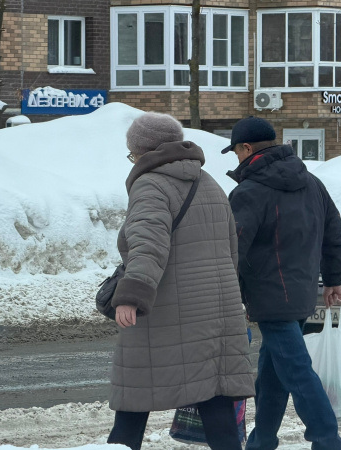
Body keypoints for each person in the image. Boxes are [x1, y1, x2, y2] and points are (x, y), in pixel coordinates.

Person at [107, 112, 255, 450]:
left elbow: (148, 243)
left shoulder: (151, 184)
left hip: (165, 312)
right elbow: (230, 250)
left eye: (132, 154)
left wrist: (132, 294)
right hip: (214, 315)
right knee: (215, 401)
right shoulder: (209, 183)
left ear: (144, 151)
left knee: (133, 399)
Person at [223, 116, 341, 450]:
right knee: (273, 373)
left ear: (246, 148)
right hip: (301, 294)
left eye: (236, 150)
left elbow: (230, 250)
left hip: (269, 299)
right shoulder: (311, 183)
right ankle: (262, 440)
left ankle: (328, 441)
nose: (236, 157)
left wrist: (228, 297)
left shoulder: (248, 192)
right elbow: (336, 236)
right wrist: (334, 279)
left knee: (297, 372)